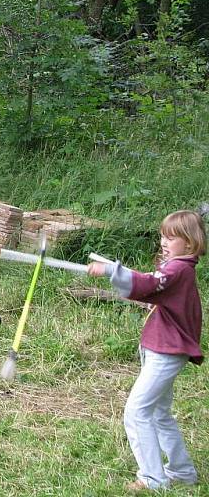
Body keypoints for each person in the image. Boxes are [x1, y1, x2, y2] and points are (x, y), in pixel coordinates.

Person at [87, 210, 205, 491]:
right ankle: (182, 471)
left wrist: (110, 270)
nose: (164, 242)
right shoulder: (177, 268)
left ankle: (153, 479)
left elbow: (149, 283)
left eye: (172, 238)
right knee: (158, 413)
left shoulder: (178, 270)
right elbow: (149, 282)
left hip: (166, 353)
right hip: (162, 350)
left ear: (189, 243)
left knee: (136, 410)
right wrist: (116, 271)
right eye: (163, 236)